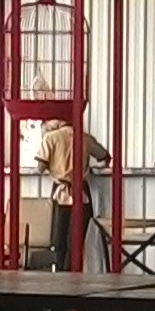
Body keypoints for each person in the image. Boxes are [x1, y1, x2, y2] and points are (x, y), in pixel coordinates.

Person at [38, 111, 110, 271]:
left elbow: (40, 167)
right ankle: (73, 273)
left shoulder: (50, 138)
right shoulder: (85, 138)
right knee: (76, 242)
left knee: (58, 240)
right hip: (81, 194)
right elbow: (104, 156)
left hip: (60, 194)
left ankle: (59, 273)